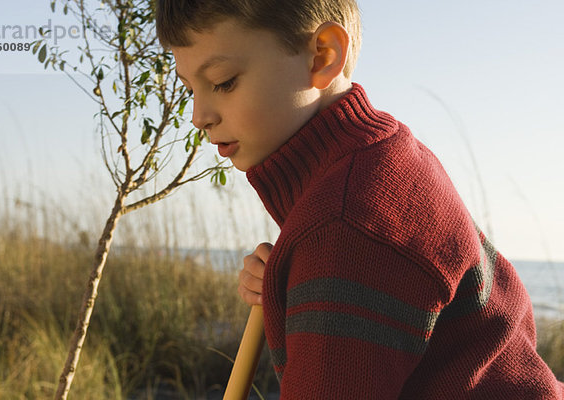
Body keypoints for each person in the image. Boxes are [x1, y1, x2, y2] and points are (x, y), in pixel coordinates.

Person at [155, 1, 564, 398]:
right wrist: (291, 283)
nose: (199, 115)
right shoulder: (385, 157)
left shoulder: (346, 223)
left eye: (224, 82)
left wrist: (324, 270)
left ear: (323, 56)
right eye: (191, 89)